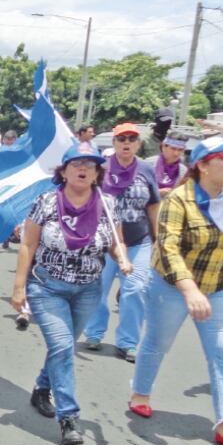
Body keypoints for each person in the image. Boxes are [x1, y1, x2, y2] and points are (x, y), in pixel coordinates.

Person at [129, 136, 223, 445]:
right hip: (172, 285)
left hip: (219, 285)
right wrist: (189, 289)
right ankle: (140, 393)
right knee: (157, 342)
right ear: (202, 164)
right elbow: (168, 248)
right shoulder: (178, 199)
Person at [12, 141, 129, 445]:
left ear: (97, 173)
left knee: (62, 348)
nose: (82, 169)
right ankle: (69, 417)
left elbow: (116, 241)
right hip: (47, 287)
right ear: (63, 171)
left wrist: (123, 257)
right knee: (63, 347)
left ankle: (41, 387)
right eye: (76, 164)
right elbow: (28, 245)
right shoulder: (46, 201)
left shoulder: (108, 203)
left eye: (89, 165)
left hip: (88, 289)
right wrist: (18, 287)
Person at [83, 122, 160, 361]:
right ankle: (94, 333)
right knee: (97, 290)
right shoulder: (101, 169)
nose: (126, 143)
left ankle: (127, 342)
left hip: (139, 242)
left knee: (135, 290)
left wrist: (158, 238)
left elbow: (154, 204)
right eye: (121, 139)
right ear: (114, 143)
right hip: (105, 244)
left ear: (138, 143)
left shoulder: (146, 170)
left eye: (131, 139)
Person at [146, 131, 189, 198]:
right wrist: (157, 192)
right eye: (173, 148)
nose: (176, 153)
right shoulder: (148, 164)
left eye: (180, 150)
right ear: (163, 146)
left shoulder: (183, 170)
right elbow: (136, 190)